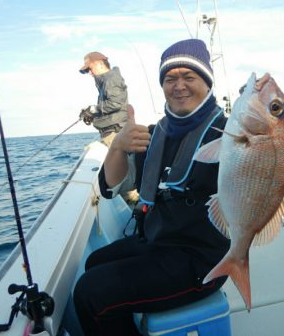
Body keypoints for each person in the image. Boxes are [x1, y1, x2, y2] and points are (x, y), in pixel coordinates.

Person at [73, 39, 230, 336]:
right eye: (170, 78)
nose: (179, 85)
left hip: (201, 261)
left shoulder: (231, 136)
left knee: (91, 294)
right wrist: (118, 146)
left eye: (189, 77)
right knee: (94, 262)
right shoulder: (155, 133)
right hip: (158, 242)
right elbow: (110, 188)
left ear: (207, 82)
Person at [78, 51, 128, 147]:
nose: (89, 72)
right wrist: (92, 114)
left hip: (115, 132)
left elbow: (115, 103)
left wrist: (93, 109)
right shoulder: (105, 81)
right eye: (87, 70)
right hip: (110, 132)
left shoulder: (112, 79)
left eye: (90, 68)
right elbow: (108, 107)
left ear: (101, 64)